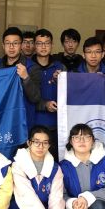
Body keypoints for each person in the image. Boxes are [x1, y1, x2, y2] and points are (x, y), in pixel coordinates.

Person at [0, 27, 42, 128]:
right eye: (8, 43)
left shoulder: (32, 67)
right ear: (3, 46)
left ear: (21, 46)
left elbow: (35, 98)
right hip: (1, 120)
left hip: (22, 122)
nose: (11, 47)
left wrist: (26, 77)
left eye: (15, 43)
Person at [31, 29, 65, 158]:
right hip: (33, 124)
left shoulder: (60, 67)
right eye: (39, 43)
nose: (43, 46)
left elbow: (70, 93)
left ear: (52, 45)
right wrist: (45, 105)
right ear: (34, 45)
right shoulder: (27, 67)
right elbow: (25, 97)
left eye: (47, 43)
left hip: (56, 126)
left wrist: (61, 80)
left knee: (54, 162)